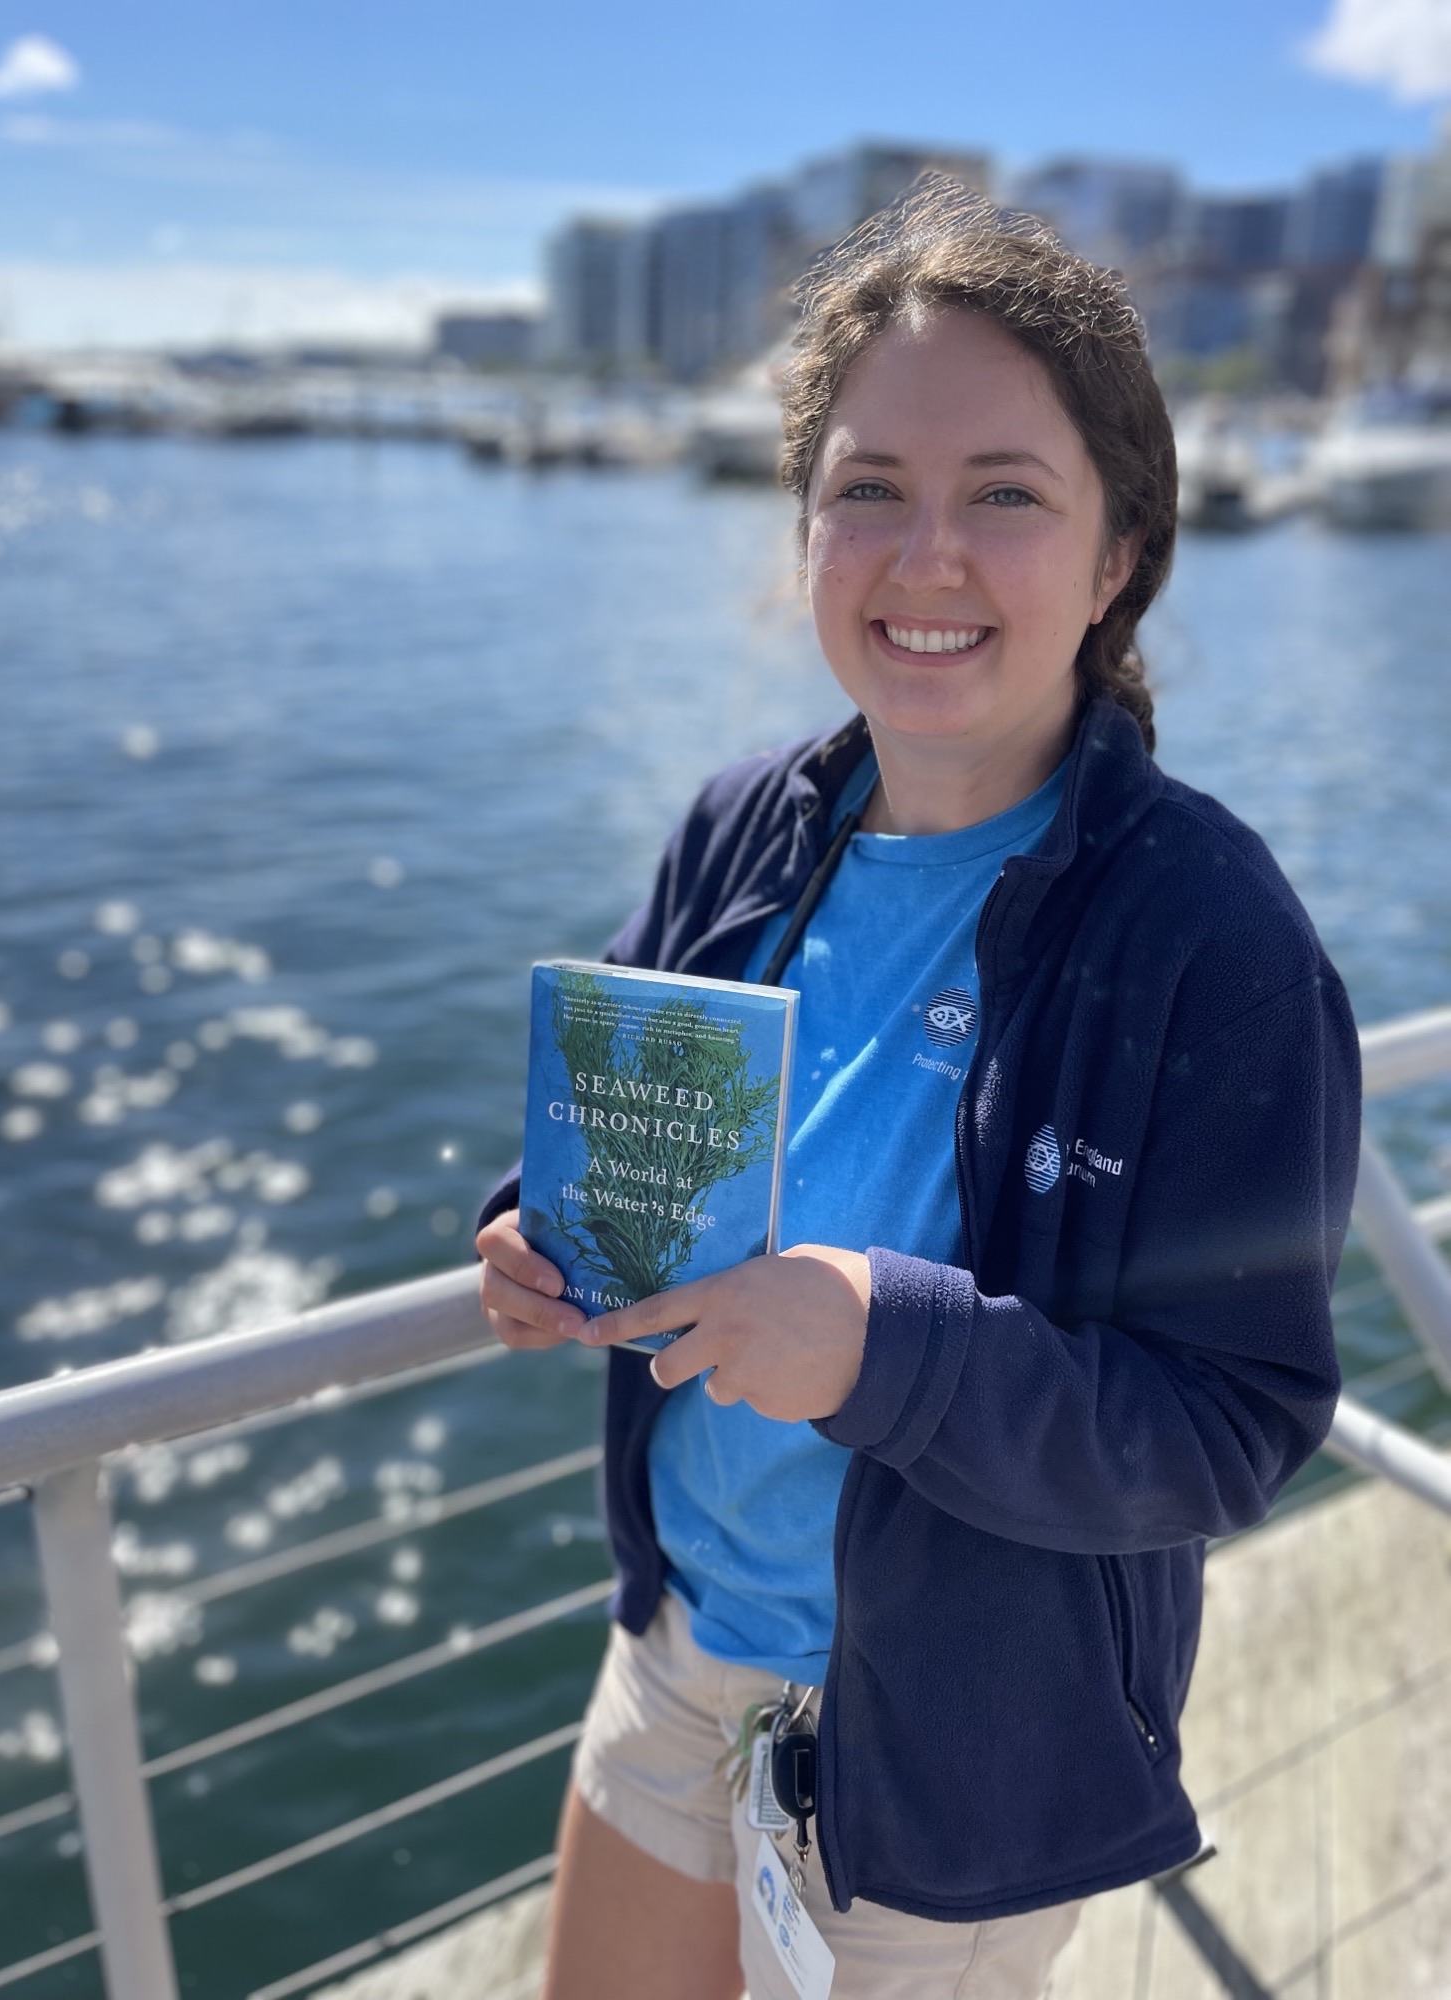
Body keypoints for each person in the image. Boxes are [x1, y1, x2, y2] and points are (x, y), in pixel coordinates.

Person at [475, 180, 1360, 2000]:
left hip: (952, 1751)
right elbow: (639, 1155)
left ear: (1119, 556)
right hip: (673, 1654)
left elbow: (1231, 1423)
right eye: (868, 486)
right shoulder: (737, 831)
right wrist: (537, 1233)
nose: (923, 555)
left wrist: (896, 1352)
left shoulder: (1208, 933)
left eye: (1007, 496)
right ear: (801, 524)